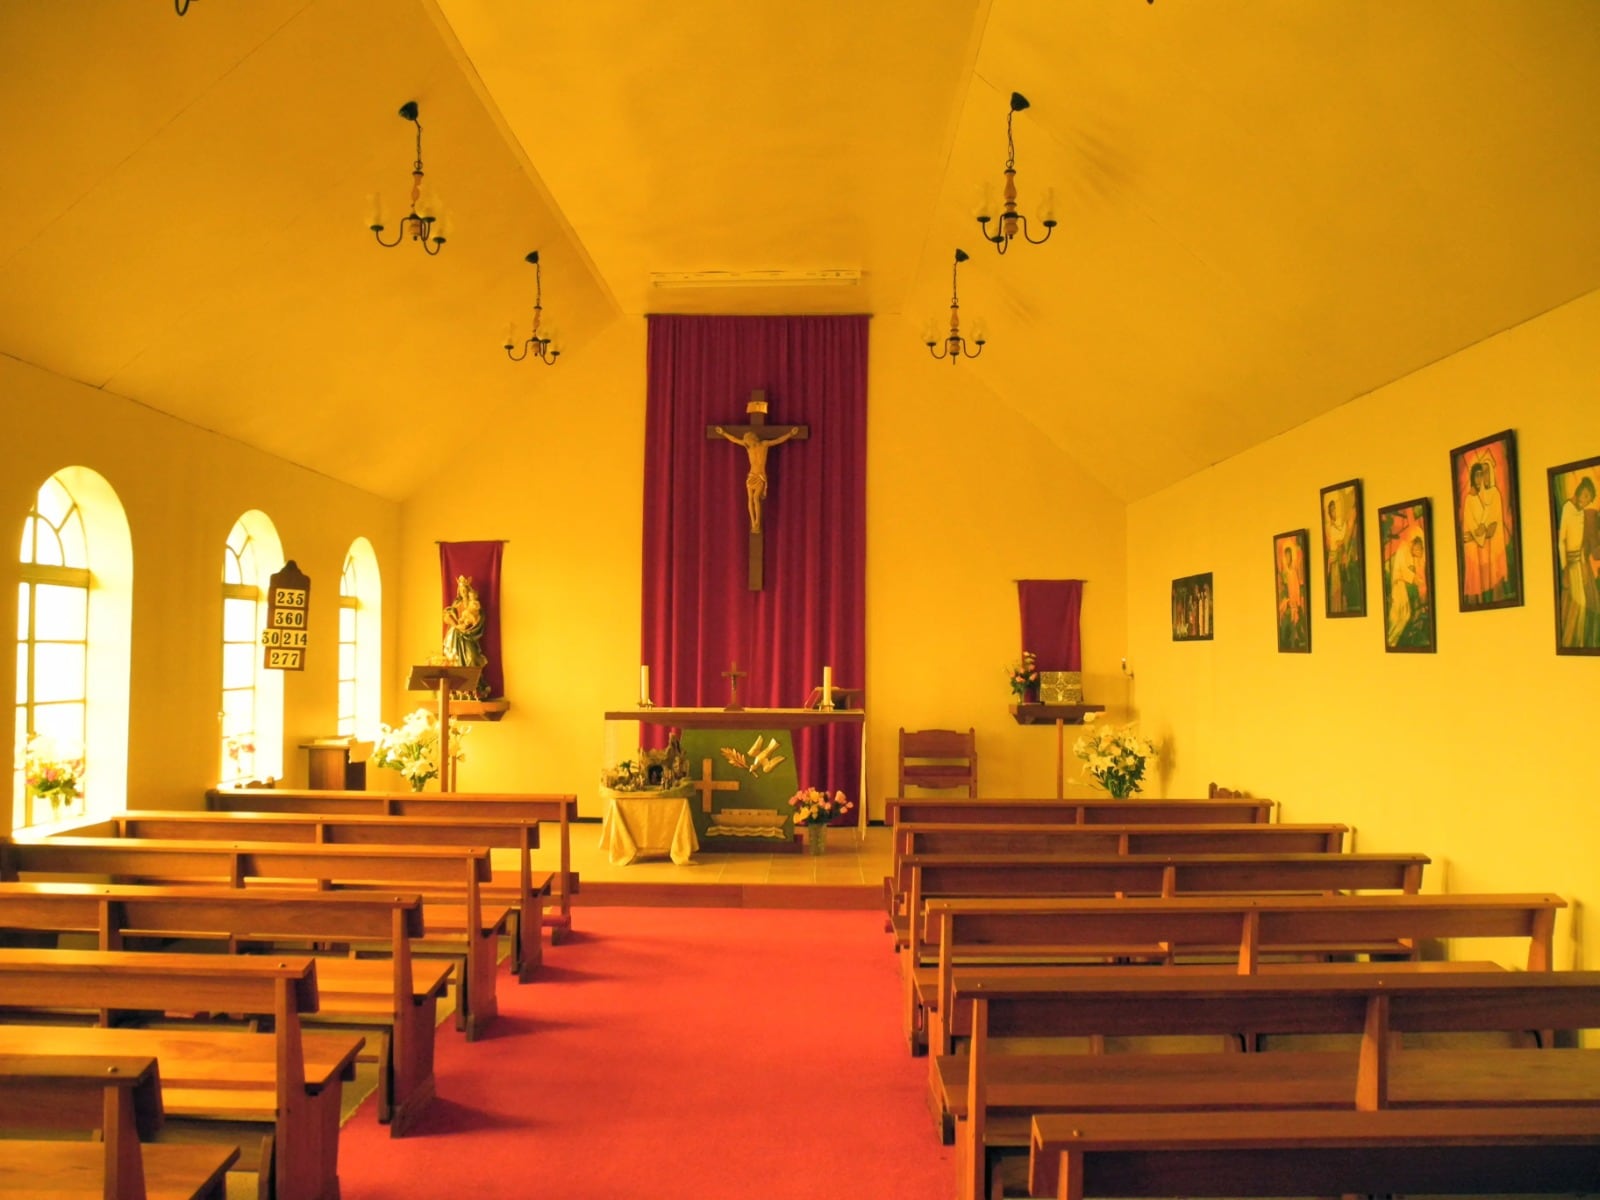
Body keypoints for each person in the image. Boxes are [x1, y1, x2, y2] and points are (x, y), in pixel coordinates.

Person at [710, 423, 803, 533]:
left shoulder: (764, 445)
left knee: (755, 498)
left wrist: (790, 434)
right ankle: (753, 522)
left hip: (760, 476)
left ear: (753, 439)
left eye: (749, 441)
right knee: (750, 499)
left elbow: (778, 440)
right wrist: (724, 433)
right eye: (747, 442)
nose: (748, 443)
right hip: (751, 475)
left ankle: (757, 521)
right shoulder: (748, 447)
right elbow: (734, 439)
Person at [1558, 475, 1598, 648]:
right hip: (1569, 563)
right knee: (1577, 603)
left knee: (1583, 604)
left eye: (1589, 500)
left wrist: (1583, 566)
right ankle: (1570, 642)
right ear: (1581, 491)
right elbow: (1562, 541)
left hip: (1579, 562)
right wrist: (1564, 567)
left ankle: (1579, 643)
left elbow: (1582, 543)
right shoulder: (1567, 508)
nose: (1586, 502)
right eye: (1586, 496)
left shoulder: (1582, 512)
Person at [1461, 458, 1508, 604]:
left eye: (1485, 473)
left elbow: (1492, 527)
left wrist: (1476, 535)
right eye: (1479, 474)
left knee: (1495, 583)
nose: (1482, 478)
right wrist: (1477, 534)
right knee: (1475, 582)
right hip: (1478, 550)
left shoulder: (1494, 493)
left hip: (1493, 548)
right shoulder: (1474, 497)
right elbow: (1472, 523)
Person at [1385, 534, 1429, 648]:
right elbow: (1403, 570)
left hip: (1404, 585)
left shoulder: (1409, 552)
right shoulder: (1403, 549)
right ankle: (1391, 640)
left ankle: (1394, 640)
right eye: (1419, 551)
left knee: (1406, 614)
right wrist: (1414, 579)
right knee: (1399, 614)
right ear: (1416, 547)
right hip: (1399, 584)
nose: (1419, 554)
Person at [1323, 494, 1360, 614]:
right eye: (1332, 509)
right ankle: (1336, 608)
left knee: (1342, 584)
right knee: (1336, 585)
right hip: (1335, 559)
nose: (1334, 511)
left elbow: (1345, 534)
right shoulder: (1329, 527)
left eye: (1335, 508)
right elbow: (1337, 541)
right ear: (1329, 512)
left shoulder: (1340, 524)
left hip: (1340, 557)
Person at [442, 574, 486, 669]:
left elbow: (478, 618)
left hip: (469, 635)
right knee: (455, 660)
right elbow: (448, 615)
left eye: (465, 589)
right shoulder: (457, 604)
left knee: (472, 658)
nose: (463, 592)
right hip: (457, 635)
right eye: (461, 590)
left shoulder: (474, 604)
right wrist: (455, 624)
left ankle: (475, 682)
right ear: (459, 591)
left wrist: (470, 624)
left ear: (468, 590)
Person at [1277, 541, 1307, 649]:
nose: (1287, 558)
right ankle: (1291, 640)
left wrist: (1295, 601)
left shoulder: (1293, 572)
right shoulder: (1285, 572)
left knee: (1295, 620)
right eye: (1286, 556)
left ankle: (1295, 640)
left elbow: (1296, 588)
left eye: (1289, 556)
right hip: (1288, 600)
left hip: (1294, 601)